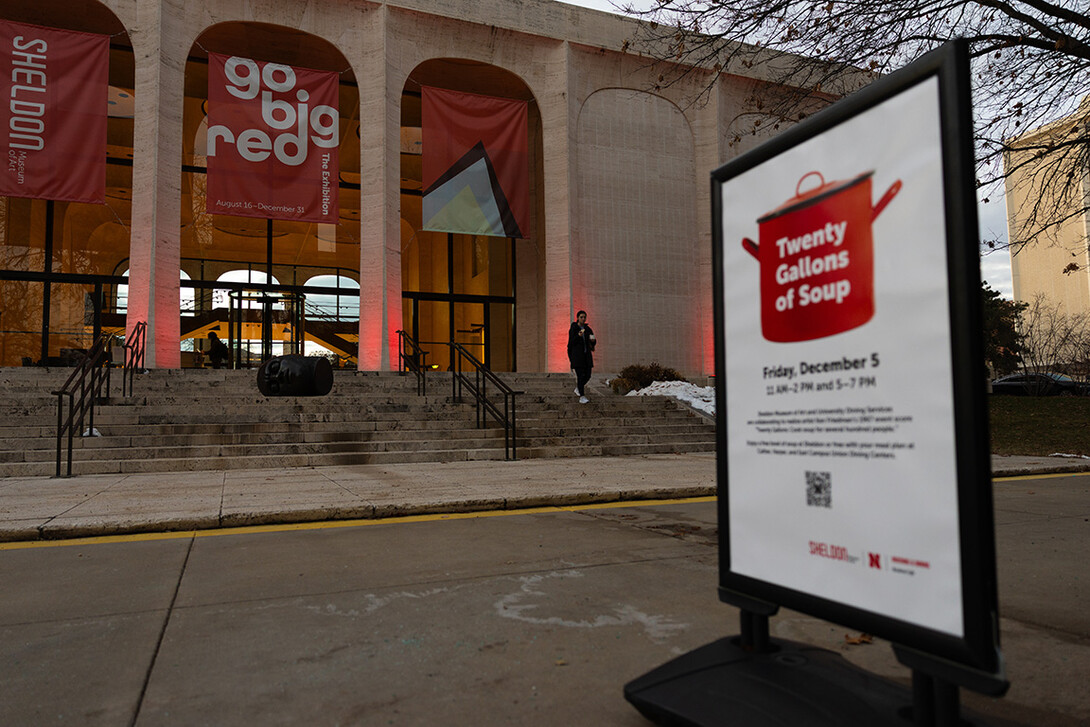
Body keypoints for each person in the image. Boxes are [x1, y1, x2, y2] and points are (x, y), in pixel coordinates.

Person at [567, 310, 596, 404]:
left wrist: (593, 341)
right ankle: (582, 396)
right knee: (580, 376)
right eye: (581, 317)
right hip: (577, 357)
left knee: (588, 375)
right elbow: (571, 342)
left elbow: (593, 340)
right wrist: (578, 336)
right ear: (578, 318)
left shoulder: (587, 329)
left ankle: (578, 388)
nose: (583, 319)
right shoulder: (574, 328)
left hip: (586, 356)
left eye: (584, 317)